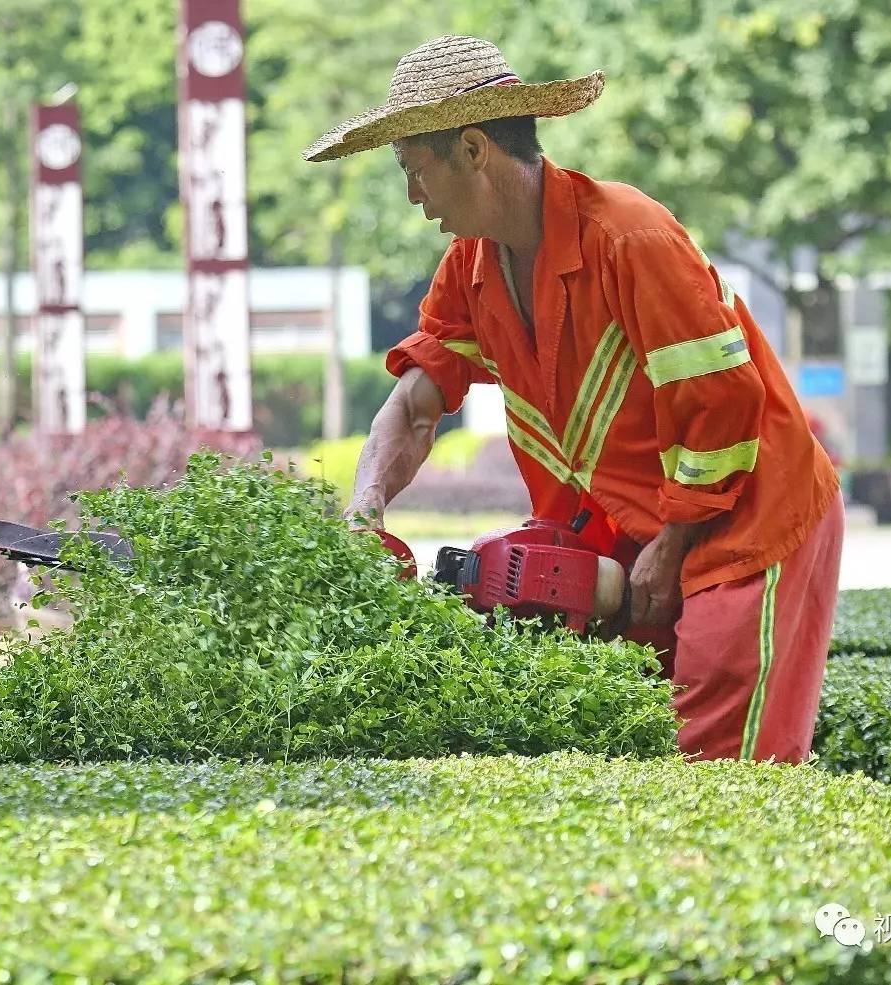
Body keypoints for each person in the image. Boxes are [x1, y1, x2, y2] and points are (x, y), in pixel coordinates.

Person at [303, 35, 845, 764]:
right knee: (631, 747)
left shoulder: (630, 235)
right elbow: (414, 403)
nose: (412, 197)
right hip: (634, 534)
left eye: (414, 170)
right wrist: (364, 508)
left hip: (750, 517)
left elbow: (723, 402)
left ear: (471, 150)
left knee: (724, 760)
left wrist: (674, 542)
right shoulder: (470, 268)